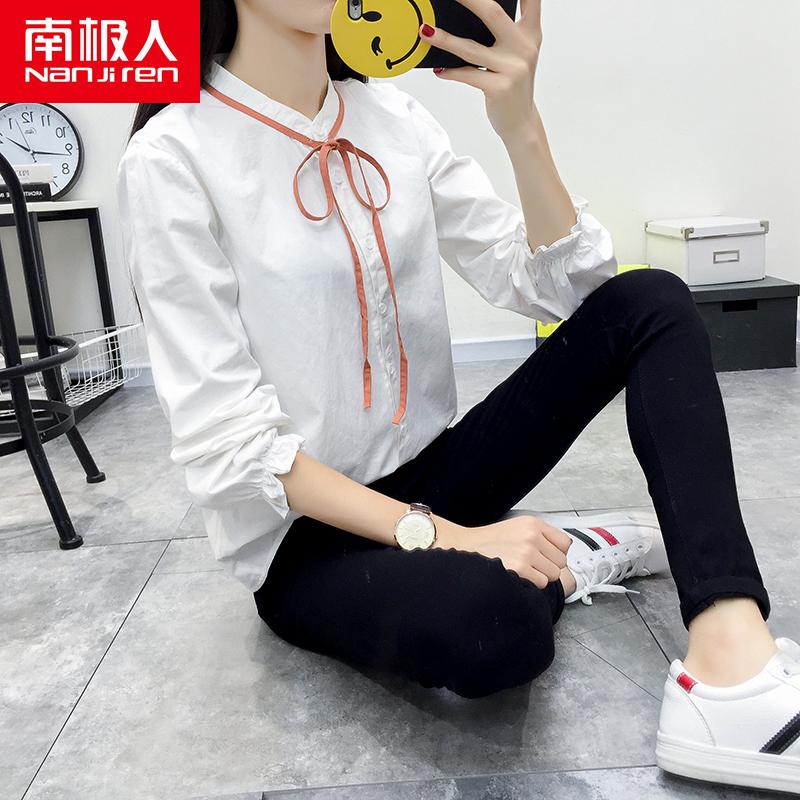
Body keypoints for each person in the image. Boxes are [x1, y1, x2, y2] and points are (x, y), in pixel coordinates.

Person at [115, 0, 800, 793]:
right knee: (489, 628)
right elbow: (231, 444)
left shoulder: (391, 118)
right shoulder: (173, 156)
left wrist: (520, 123)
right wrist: (451, 539)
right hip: (305, 541)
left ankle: (729, 659)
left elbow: (558, 288)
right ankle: (566, 560)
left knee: (650, 302)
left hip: (436, 471)